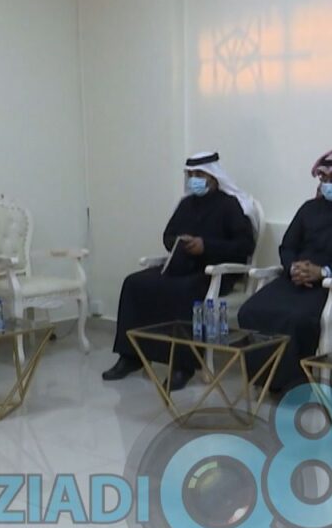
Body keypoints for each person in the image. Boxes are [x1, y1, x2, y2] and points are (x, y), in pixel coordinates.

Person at [103, 152, 257, 391]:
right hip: (181, 265)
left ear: (213, 177)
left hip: (214, 272)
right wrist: (179, 242)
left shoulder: (230, 205)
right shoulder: (186, 204)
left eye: (200, 174)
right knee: (134, 283)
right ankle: (131, 356)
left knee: (183, 291)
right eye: (191, 174)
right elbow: (168, 236)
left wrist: (206, 246)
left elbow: (245, 245)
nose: (194, 179)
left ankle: (182, 366)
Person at [238, 148, 332, 392]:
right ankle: (265, 379)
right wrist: (293, 267)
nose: (327, 184)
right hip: (296, 280)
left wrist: (324, 271)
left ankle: (294, 385)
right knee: (251, 311)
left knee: (296, 318)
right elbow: (287, 246)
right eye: (323, 178)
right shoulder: (309, 209)